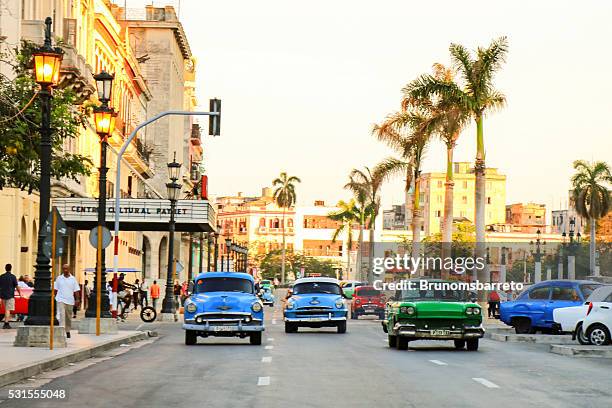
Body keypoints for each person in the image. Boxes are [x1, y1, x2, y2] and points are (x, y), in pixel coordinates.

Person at [54, 264, 80, 338]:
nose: (65, 270)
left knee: (68, 317)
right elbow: (56, 289)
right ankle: (61, 331)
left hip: (70, 300)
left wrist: (77, 299)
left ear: (69, 269)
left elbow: (76, 290)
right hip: (60, 299)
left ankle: (67, 331)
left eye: (66, 269)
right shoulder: (59, 278)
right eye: (64, 268)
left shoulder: (73, 279)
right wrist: (54, 297)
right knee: (61, 315)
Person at [0, 264, 20, 329]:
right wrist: (20, 293)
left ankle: (6, 322)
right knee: (8, 310)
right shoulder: (13, 277)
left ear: (5, 268)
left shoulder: (1, 276)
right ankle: (6, 323)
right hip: (10, 295)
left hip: (2, 295)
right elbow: (17, 286)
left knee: (6, 309)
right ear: (11, 268)